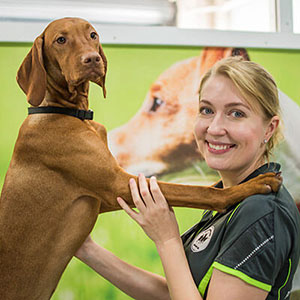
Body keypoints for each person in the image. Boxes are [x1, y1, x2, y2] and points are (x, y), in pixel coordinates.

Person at [75, 56, 300, 300]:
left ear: (270, 128)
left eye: (236, 113)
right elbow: (177, 294)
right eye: (206, 110)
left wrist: (168, 240)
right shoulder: (233, 198)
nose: (214, 128)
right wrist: (86, 249)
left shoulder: (261, 211)